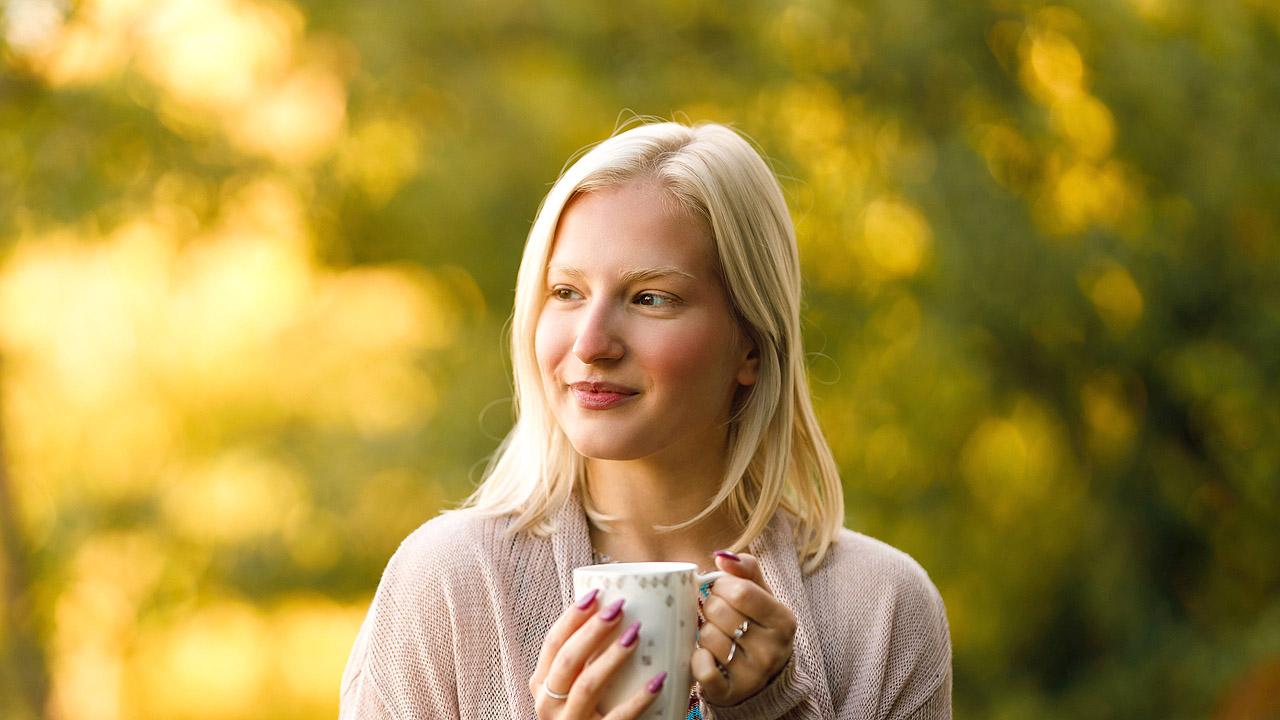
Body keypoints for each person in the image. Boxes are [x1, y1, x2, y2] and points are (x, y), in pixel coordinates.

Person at [339, 119, 952, 719]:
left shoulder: (882, 610)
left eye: (650, 298)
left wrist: (767, 714)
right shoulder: (446, 587)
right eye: (567, 292)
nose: (591, 343)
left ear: (751, 347)